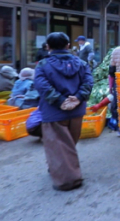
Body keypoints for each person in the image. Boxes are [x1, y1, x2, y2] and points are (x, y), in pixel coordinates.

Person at [34, 32, 93, 191]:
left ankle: (69, 180)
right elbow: (88, 81)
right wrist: (78, 98)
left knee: (59, 146)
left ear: (48, 47)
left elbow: (42, 85)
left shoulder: (43, 65)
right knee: (69, 144)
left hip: (54, 112)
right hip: (77, 112)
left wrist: (60, 101)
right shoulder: (81, 63)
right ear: (68, 46)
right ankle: (57, 168)